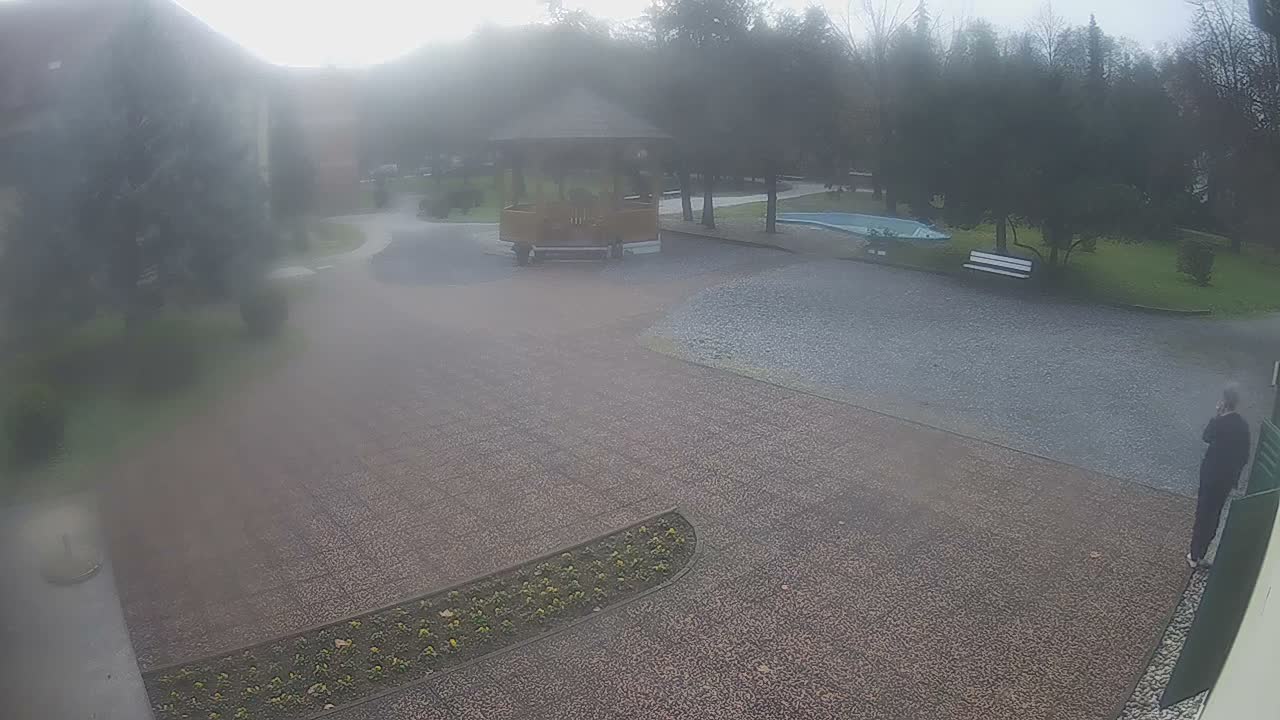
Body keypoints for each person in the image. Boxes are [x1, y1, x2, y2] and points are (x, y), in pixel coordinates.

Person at [1187, 384, 1252, 569]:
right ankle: (1202, 553)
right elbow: (1244, 455)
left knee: (1203, 514)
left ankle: (1194, 554)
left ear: (1223, 402)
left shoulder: (1219, 423)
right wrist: (1234, 474)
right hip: (1226, 478)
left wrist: (1216, 415)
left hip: (1210, 476)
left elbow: (1206, 437)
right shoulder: (1242, 425)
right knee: (1215, 514)